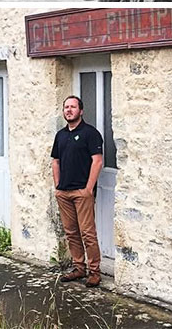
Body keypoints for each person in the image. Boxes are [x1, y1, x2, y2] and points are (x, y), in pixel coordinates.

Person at [51, 96, 103, 288]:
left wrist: (88, 189)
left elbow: (97, 161)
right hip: (64, 192)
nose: (69, 110)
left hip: (82, 192)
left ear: (81, 111)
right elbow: (55, 160)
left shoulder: (91, 134)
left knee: (88, 233)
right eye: (66, 107)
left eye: (73, 107)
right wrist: (58, 185)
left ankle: (94, 271)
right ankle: (79, 267)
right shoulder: (61, 135)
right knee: (71, 232)